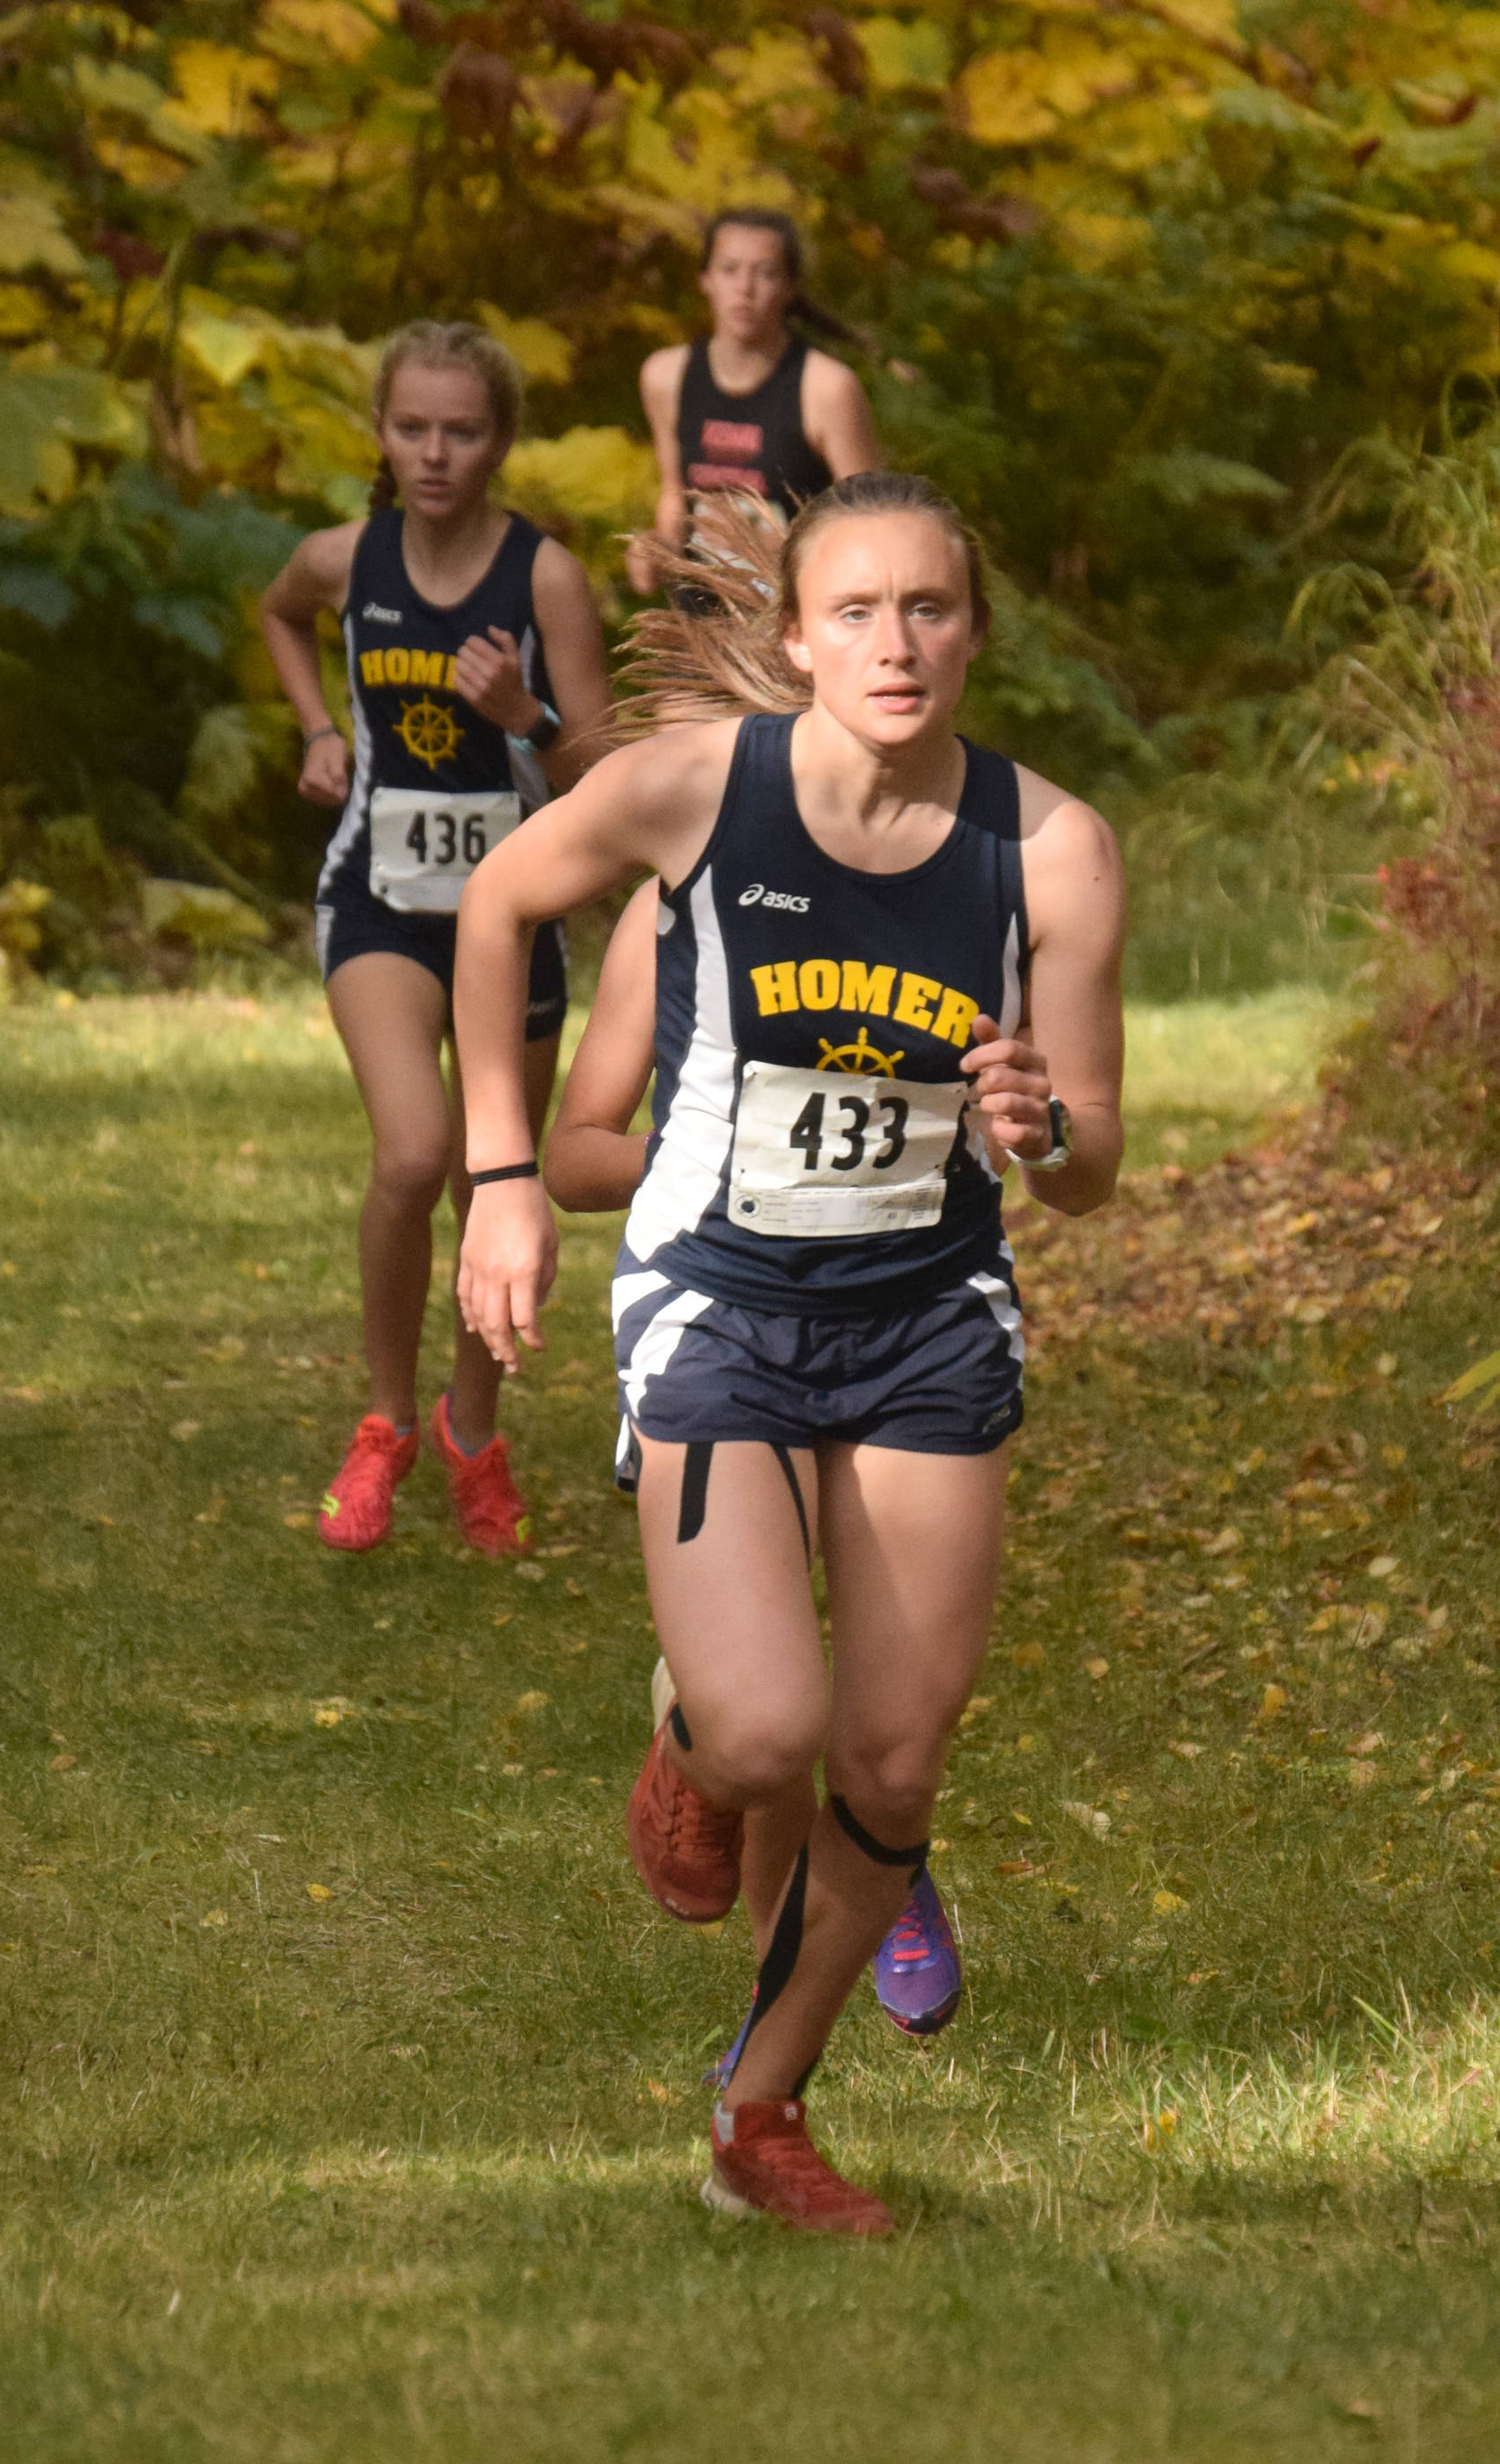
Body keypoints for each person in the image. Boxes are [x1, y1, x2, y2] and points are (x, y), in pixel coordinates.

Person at [455, 475, 1125, 2236]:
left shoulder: (1047, 848)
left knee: (893, 1766)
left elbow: (1095, 1164)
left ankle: (761, 2115)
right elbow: (492, 909)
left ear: (974, 629)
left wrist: (1039, 1121)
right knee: (769, 1727)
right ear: (803, 636)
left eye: (929, 610)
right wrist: (506, 1179)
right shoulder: (699, 794)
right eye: (856, 612)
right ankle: (690, 1738)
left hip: (927, 1321)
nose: (895, 644)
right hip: (717, 1304)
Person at [543, 883, 965, 2054]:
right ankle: (780, 1965)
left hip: (909, 1319)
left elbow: (1062, 1127)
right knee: (775, 1684)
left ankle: (883, 1843)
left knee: (892, 1689)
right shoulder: (678, 904)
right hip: (725, 1314)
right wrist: (705, 1150)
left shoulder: (965, 886)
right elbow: (572, 1158)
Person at [259, 320, 609, 1556]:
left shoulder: (546, 578)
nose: (435, 453)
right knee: (414, 1156)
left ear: (501, 441)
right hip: (381, 903)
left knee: (486, 1180)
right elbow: (278, 613)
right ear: (382, 433)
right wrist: (317, 731)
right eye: (413, 428)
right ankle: (386, 1425)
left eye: (462, 431)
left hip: (513, 920)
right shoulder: (346, 560)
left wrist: (525, 714)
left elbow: (603, 776)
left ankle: (474, 1430)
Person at [625, 209, 880, 597]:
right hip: (701, 630)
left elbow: (872, 525)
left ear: (791, 287)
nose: (744, 288)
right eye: (729, 270)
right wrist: (658, 548)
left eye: (765, 273)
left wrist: (781, 549)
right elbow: (676, 494)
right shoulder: (665, 377)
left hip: (791, 625)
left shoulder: (827, 388)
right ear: (705, 280)